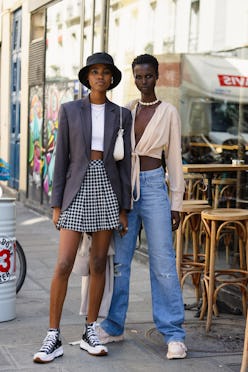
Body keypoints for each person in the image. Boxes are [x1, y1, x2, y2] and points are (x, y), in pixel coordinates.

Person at [33, 52, 132, 363]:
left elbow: (126, 163)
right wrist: (56, 203)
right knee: (64, 263)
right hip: (76, 188)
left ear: (112, 78)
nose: (100, 77)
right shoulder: (70, 110)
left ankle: (91, 329)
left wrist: (124, 207)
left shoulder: (121, 114)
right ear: (87, 77)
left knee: (99, 262)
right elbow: (60, 158)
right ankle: (53, 335)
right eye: (95, 72)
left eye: (105, 72)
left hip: (108, 188)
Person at [96, 54, 187, 360]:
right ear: (133, 78)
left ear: (157, 76)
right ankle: (114, 323)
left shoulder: (169, 112)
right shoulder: (128, 111)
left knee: (162, 262)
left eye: (148, 76)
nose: (144, 81)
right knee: (120, 262)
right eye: (138, 76)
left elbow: (174, 159)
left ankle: (174, 333)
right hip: (127, 189)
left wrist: (176, 202)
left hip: (154, 188)